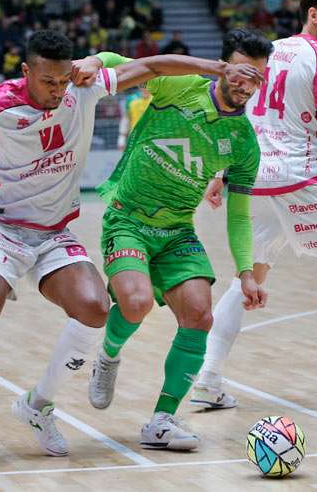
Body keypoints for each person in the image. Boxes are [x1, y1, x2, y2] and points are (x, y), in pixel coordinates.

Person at [0, 30, 263, 457]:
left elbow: (151, 66)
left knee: (97, 308)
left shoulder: (80, 89)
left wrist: (204, 68)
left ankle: (38, 405)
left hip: (56, 235)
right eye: (48, 81)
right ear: (27, 71)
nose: (57, 89)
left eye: (63, 79)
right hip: (5, 229)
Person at [194, 0, 317, 412]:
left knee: (246, 278)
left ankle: (208, 379)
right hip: (300, 178)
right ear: (313, 14)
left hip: (254, 181)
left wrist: (218, 173)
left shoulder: (268, 53)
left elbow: (237, 112)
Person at [75, 28, 270, 451]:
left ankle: (162, 420)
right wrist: (96, 61)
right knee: (137, 302)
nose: (245, 82)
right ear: (222, 67)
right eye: (239, 71)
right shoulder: (180, 85)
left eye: (255, 76)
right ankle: (108, 356)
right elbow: (132, 64)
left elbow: (238, 214)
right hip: (128, 221)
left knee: (201, 315)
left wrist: (247, 272)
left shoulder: (244, 143)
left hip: (179, 231)